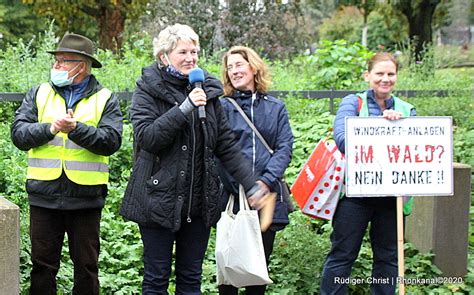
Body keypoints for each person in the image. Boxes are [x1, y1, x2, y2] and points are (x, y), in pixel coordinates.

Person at [119, 24, 267, 294]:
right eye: (183, 51)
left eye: (195, 51)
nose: (191, 57)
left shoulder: (208, 92)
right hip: (157, 201)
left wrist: (251, 183)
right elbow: (147, 138)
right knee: (156, 279)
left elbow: (226, 145)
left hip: (198, 204)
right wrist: (184, 108)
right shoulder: (148, 89)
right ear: (164, 56)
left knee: (191, 279)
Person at [11, 33, 123, 295]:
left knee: (86, 267)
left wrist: (76, 129)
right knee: (42, 266)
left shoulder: (105, 98)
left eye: (62, 61)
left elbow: (111, 141)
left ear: (81, 65)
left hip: (85, 197)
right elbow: (18, 134)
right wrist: (51, 128)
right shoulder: (39, 93)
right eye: (56, 62)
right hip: (43, 195)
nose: (56, 67)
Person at [320, 52, 416, 295]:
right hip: (356, 196)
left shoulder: (407, 109)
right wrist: (380, 126)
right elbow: (342, 139)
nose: (385, 79)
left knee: (388, 260)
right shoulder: (353, 103)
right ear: (368, 76)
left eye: (391, 74)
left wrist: (399, 124)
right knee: (342, 257)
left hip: (392, 199)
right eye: (379, 73)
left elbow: (415, 150)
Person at [217, 46, 294, 294]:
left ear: (253, 66)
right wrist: (238, 185)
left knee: (258, 271)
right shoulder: (222, 107)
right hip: (231, 198)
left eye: (239, 64)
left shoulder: (275, 107)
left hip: (266, 200)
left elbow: (284, 147)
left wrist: (264, 182)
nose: (234, 71)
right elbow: (219, 151)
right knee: (228, 270)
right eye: (230, 67)